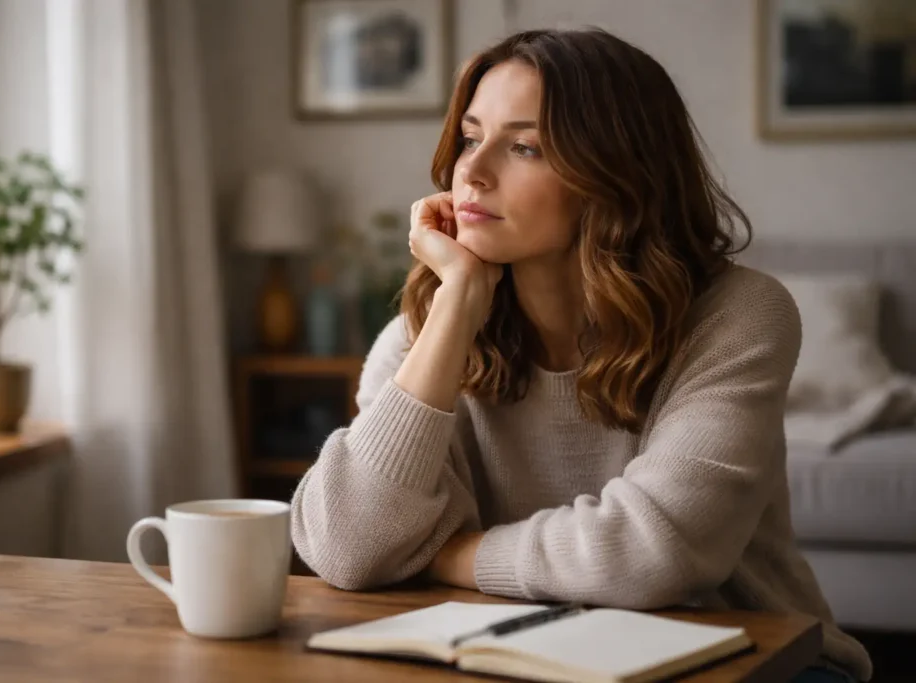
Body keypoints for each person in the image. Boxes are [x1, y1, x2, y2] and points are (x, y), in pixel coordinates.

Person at [290, 28, 872, 683]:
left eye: (524, 146)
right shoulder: (426, 332)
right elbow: (345, 548)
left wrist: (442, 555)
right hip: (521, 656)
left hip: (756, 658)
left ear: (616, 174)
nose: (473, 174)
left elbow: (654, 549)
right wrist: (454, 308)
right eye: (471, 138)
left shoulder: (738, 314)